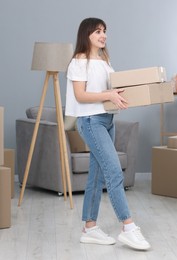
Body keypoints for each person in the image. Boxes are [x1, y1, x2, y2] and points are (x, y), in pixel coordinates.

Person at [65, 17, 151, 251]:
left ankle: (89, 228)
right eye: (97, 32)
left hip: (106, 120)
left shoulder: (104, 60)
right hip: (91, 122)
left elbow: (110, 91)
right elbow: (81, 95)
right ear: (86, 35)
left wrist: (123, 96)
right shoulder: (79, 61)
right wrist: (108, 95)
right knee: (114, 173)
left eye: (104, 31)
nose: (103, 35)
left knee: (97, 175)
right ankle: (128, 227)